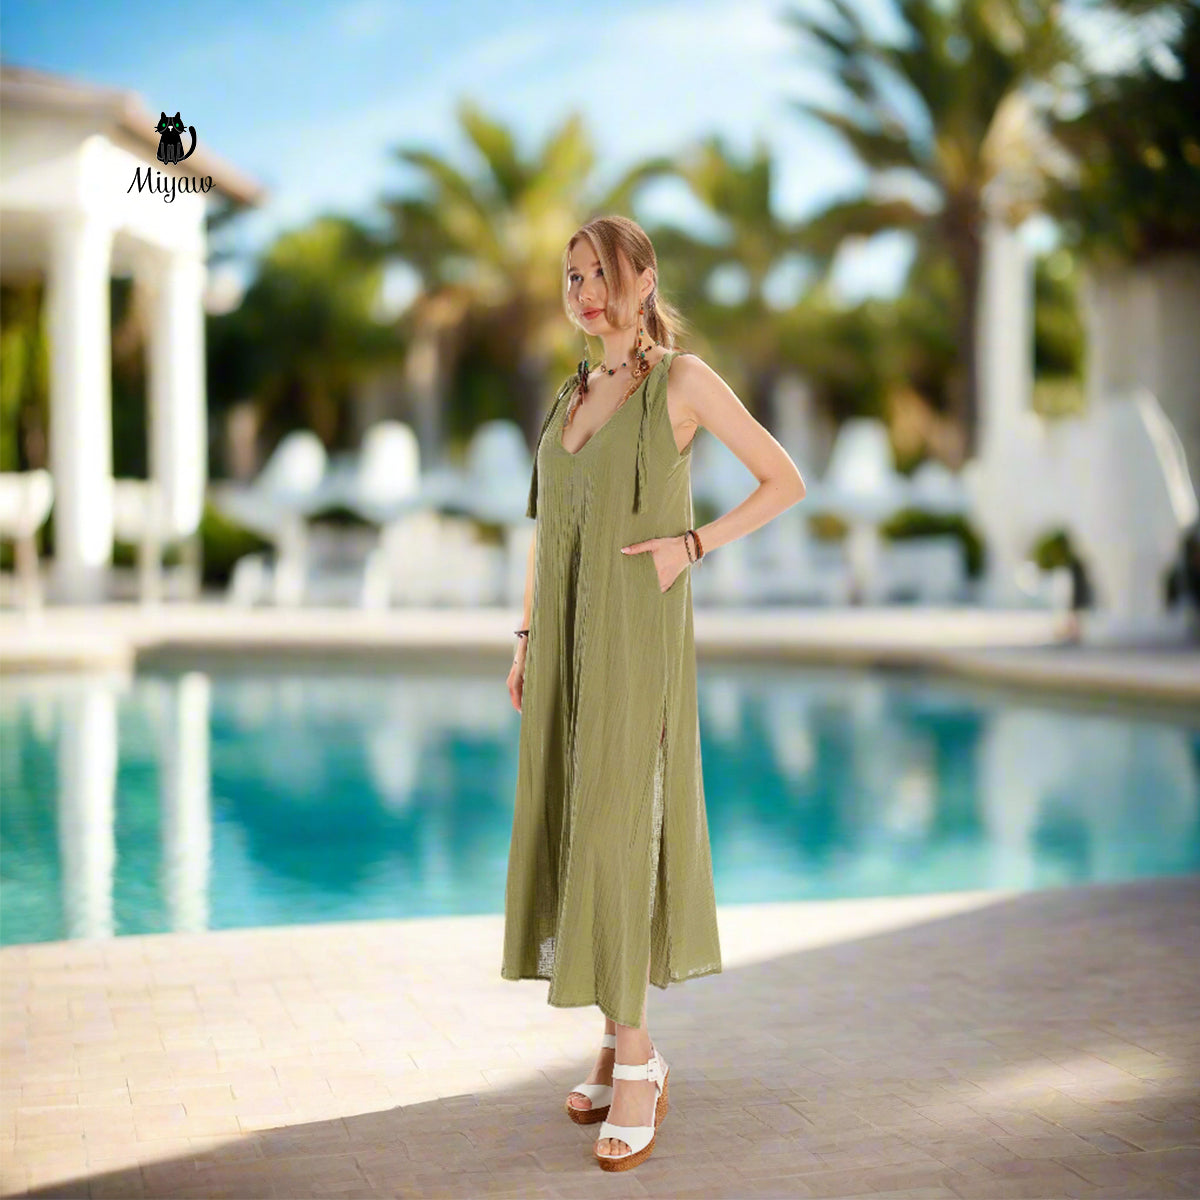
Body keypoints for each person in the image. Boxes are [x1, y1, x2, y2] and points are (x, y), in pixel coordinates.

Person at [501, 215, 806, 1171]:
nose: (585, 292)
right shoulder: (569, 395)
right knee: (576, 823)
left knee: (616, 830)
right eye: (572, 276)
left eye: (601, 273)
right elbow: (547, 531)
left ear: (643, 280)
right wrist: (525, 638)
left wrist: (693, 544)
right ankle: (612, 1041)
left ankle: (639, 1060)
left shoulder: (682, 380)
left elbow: (784, 480)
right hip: (563, 641)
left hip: (637, 635)